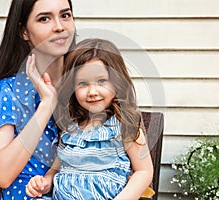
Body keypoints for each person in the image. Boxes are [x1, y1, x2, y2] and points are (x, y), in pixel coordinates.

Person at [25, 38, 154, 199]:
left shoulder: (124, 126)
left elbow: (144, 171)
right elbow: (56, 169)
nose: (92, 91)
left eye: (101, 81)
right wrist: (44, 183)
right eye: (83, 83)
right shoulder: (70, 128)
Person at [0, 0, 75, 199]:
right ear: (24, 32)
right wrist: (46, 106)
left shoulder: (88, 86)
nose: (59, 26)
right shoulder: (8, 92)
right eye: (44, 18)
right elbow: (1, 175)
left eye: (65, 15)